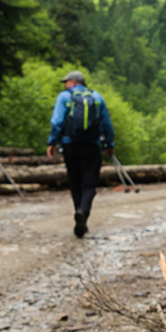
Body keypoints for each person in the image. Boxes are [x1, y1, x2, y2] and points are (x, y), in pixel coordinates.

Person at [46, 70, 115, 237]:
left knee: (75, 182)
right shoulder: (97, 97)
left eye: (66, 82)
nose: (65, 85)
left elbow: (57, 121)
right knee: (89, 184)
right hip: (91, 145)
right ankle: (83, 212)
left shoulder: (64, 97)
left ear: (74, 82)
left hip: (70, 145)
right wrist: (109, 144)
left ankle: (79, 212)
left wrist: (52, 142)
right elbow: (106, 123)